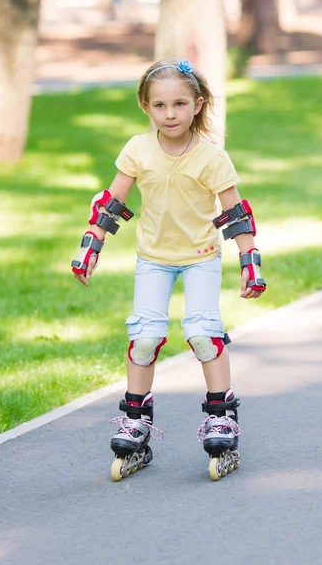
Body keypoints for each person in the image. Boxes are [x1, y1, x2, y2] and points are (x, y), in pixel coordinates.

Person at [72, 58, 266, 481]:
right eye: (160, 105)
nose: (170, 113)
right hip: (153, 258)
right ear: (146, 106)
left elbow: (236, 214)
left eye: (180, 103)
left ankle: (221, 416)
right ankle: (136, 420)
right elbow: (111, 204)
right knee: (144, 336)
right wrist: (91, 249)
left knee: (202, 331)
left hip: (200, 257)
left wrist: (249, 265)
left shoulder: (212, 157)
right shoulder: (137, 150)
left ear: (197, 105)